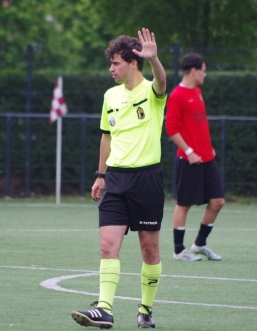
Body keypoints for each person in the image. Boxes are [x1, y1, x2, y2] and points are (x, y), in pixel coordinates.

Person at [71, 27, 167, 329]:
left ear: (132, 63)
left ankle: (145, 309)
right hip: (115, 180)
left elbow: (162, 82)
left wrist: (156, 60)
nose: (111, 69)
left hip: (146, 180)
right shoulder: (109, 95)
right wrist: (100, 174)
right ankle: (104, 308)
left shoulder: (151, 92)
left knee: (149, 250)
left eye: (116, 63)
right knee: (106, 246)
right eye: (110, 64)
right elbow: (106, 137)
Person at [165, 53, 225, 262]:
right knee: (184, 204)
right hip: (188, 159)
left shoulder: (198, 92)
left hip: (207, 158)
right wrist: (189, 152)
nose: (205, 74)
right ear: (194, 71)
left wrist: (209, 148)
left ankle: (199, 244)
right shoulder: (177, 95)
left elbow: (200, 124)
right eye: (204, 70)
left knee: (217, 201)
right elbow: (171, 129)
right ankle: (179, 250)